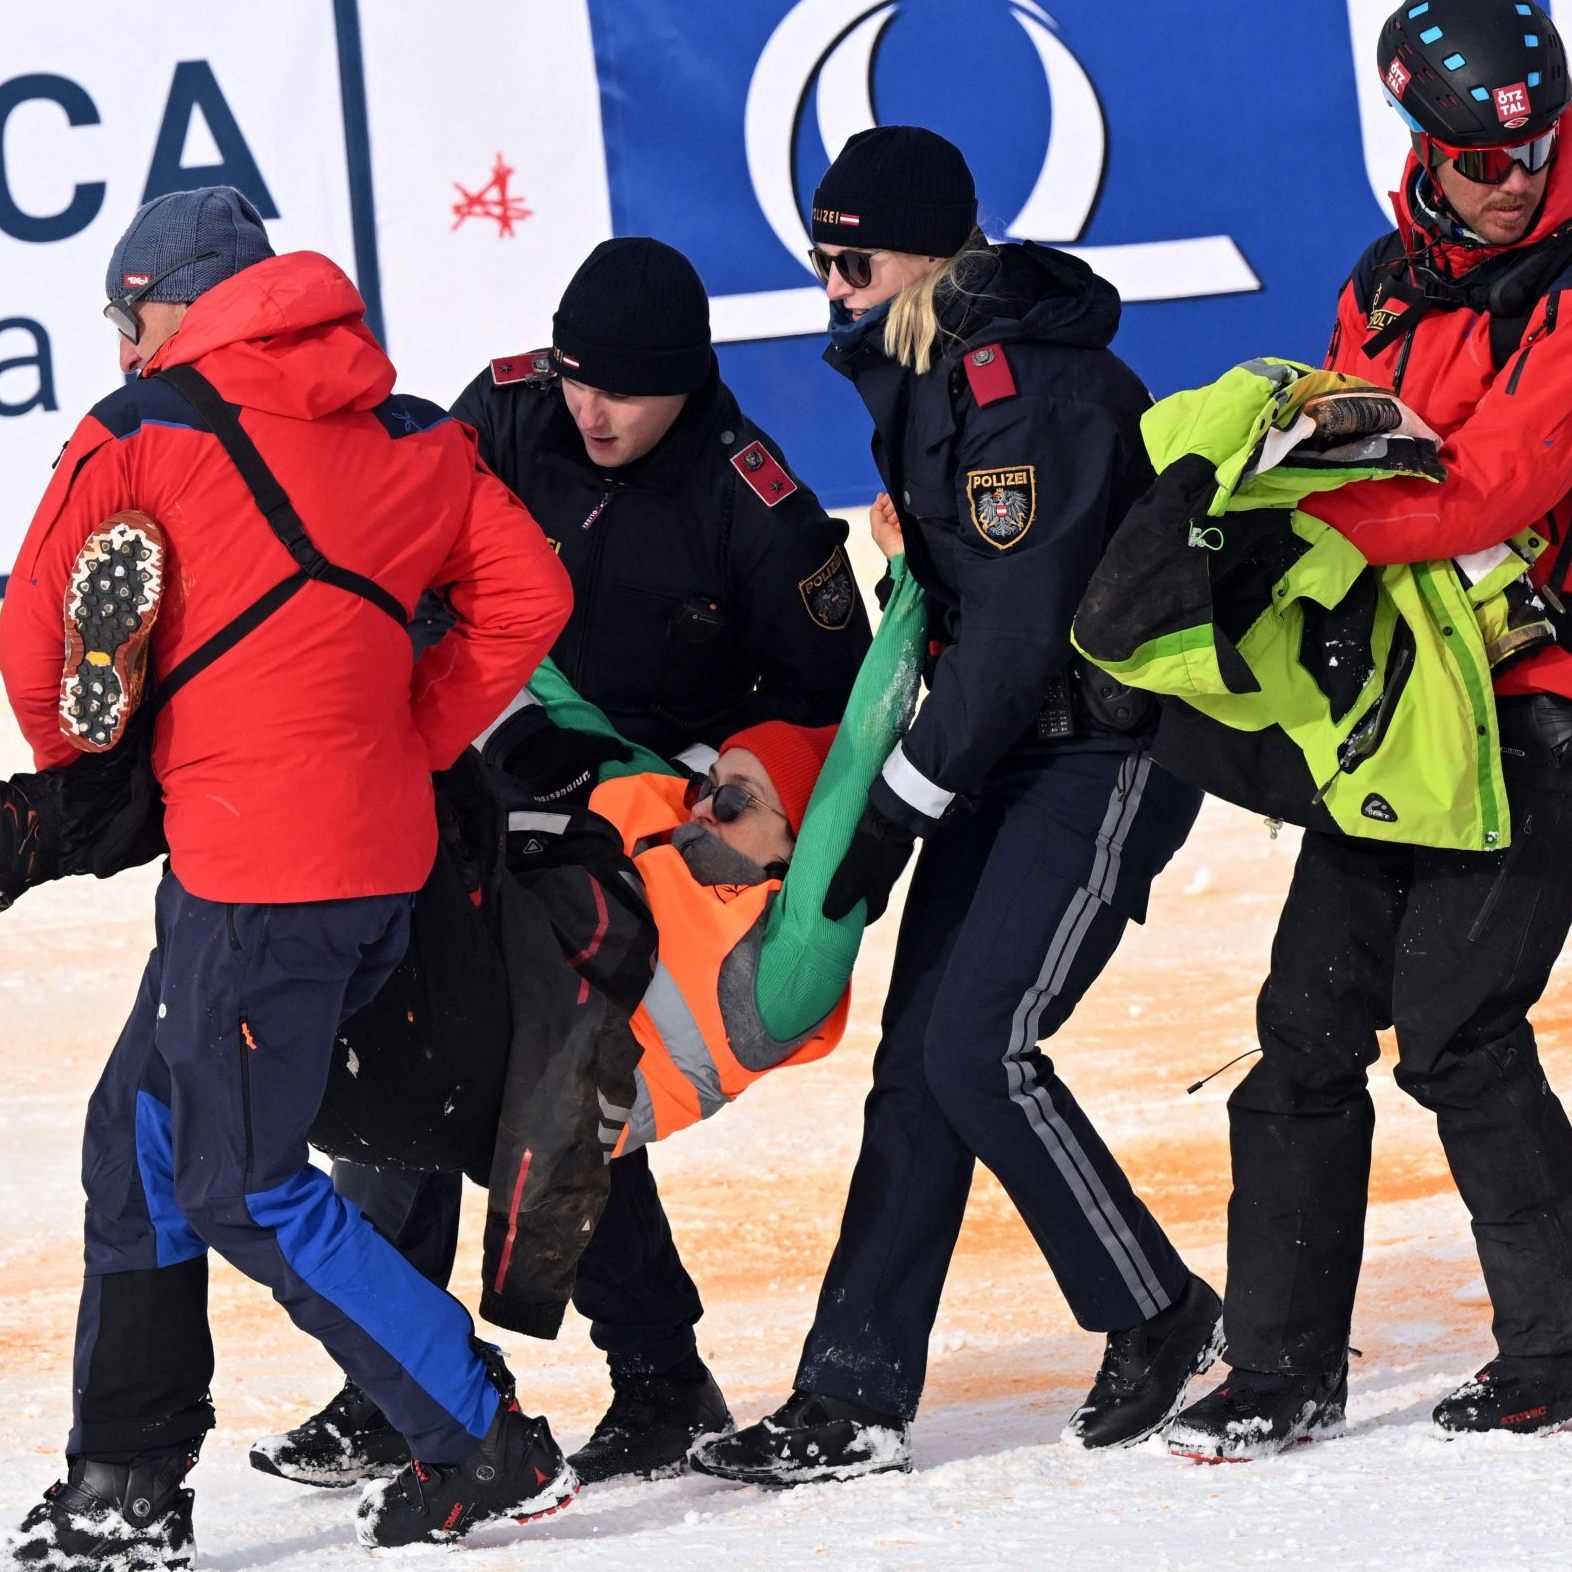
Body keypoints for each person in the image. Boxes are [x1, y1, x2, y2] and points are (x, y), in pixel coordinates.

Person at [0, 186, 575, 1566]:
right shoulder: (414, 432)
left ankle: (478, 1433)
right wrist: (415, 727)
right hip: (375, 860)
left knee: (241, 1186)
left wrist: (109, 743)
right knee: (137, 1136)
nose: (126, 344)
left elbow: (43, 659)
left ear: (179, 302)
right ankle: (124, 1479)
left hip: (258, 876)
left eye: (131, 316)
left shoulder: (139, 434)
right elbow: (529, 598)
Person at [258, 235, 873, 1490]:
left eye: (625, 393)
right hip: (462, 789)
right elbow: (414, 559)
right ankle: (413, 1376)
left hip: (621, 846)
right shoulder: (512, 404)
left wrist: (711, 787)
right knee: (420, 1064)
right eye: (579, 381)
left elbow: (826, 704)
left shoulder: (757, 511)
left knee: (556, 1092)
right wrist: (499, 718)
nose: (591, 411)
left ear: (688, 384)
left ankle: (649, 1376)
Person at [689, 126, 1219, 1489]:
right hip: (1000, 759)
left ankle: (1163, 1316)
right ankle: (851, 1396)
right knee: (920, 1060)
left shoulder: (1016, 389)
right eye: (819, 256)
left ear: (927, 253)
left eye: (852, 256)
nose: (832, 282)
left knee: (981, 1046)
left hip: (1098, 757)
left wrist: (896, 803)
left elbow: (1020, 633)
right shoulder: (932, 376)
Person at [1168, 0, 1572, 1460]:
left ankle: (1563, 1343)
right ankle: (1279, 1367)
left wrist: (1303, 508)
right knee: (1308, 1026)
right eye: (1481, 154)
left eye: (1531, 142)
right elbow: (1366, 429)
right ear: (1425, 146)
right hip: (1406, 711)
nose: (1513, 173)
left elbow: (1483, 493)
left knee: (1460, 1030)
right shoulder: (1383, 279)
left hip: (1545, 712)